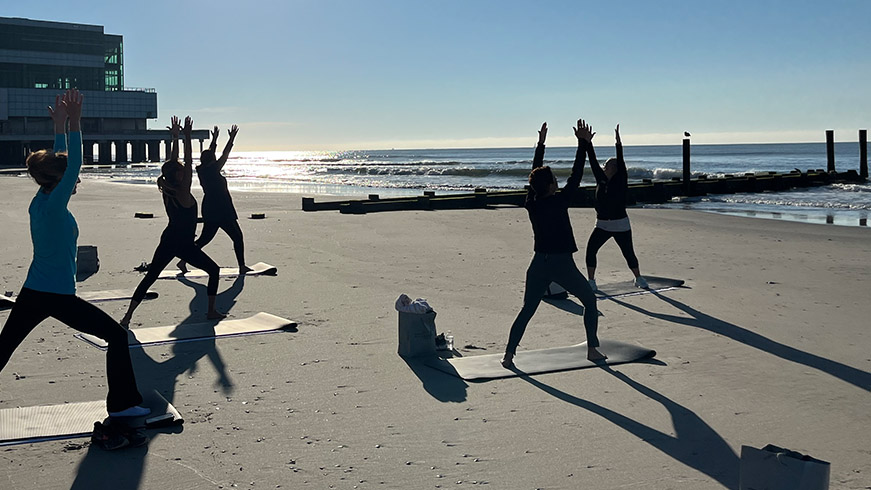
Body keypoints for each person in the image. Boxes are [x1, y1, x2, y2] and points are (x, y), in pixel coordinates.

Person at [0, 89, 149, 421]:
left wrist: (58, 129)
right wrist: (75, 123)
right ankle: (123, 405)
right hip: (56, 295)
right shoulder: (53, 204)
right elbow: (73, 164)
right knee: (116, 336)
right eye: (71, 178)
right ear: (59, 181)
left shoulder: (42, 199)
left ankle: (124, 403)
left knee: (3, 349)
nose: (77, 180)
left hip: (33, 291)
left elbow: (58, 165)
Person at [502, 120, 606, 369]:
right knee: (590, 302)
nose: (558, 182)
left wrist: (540, 144)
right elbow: (577, 174)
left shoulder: (532, 203)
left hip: (538, 264)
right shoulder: (559, 201)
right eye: (554, 180)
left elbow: (535, 174)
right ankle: (592, 349)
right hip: (561, 264)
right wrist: (583, 144)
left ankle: (508, 355)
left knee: (527, 310)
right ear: (550, 186)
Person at [121, 116, 226, 327]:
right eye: (181, 171)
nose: (183, 170)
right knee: (214, 271)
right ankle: (211, 311)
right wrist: (186, 137)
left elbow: (174, 163)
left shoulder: (167, 188)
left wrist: (175, 137)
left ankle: (127, 317)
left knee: (150, 277)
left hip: (168, 239)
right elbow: (187, 162)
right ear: (178, 175)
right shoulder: (182, 190)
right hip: (184, 244)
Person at [177, 124, 250, 274]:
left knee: (205, 239)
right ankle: (242, 266)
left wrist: (215, 139)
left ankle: (183, 261)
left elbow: (212, 154)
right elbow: (225, 154)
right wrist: (231, 139)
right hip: (222, 208)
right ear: (212, 160)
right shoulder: (213, 169)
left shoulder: (203, 169)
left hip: (210, 207)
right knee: (237, 236)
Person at [585, 124, 648, 292]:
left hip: (620, 224)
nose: (604, 167)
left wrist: (618, 142)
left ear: (615, 168)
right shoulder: (601, 179)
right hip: (602, 224)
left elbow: (620, 160)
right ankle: (591, 281)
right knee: (591, 250)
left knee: (628, 253)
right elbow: (592, 160)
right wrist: (588, 143)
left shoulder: (621, 179)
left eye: (607, 165)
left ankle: (638, 277)